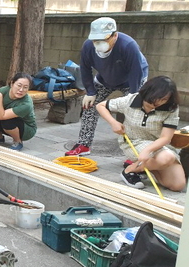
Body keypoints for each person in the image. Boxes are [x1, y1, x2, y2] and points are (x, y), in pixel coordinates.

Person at [65, 17, 149, 156]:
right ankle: (84, 144)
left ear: (114, 36)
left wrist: (134, 96)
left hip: (132, 80)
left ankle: (136, 152)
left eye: (103, 40)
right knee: (89, 105)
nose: (98, 44)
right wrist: (90, 92)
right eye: (95, 41)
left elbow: (136, 72)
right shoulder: (88, 46)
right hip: (105, 78)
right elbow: (85, 69)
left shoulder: (128, 45)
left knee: (135, 112)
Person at [96, 76, 186, 191]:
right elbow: (100, 106)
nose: (158, 103)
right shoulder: (130, 100)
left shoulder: (171, 108)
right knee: (166, 158)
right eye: (154, 99)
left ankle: (142, 168)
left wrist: (147, 150)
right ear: (147, 93)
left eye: (164, 99)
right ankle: (130, 170)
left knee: (177, 185)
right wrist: (113, 122)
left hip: (159, 145)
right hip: (134, 141)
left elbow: (166, 138)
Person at [0, 72, 37, 151]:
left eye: (25, 87)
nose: (21, 90)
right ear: (12, 83)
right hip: (6, 121)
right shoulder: (3, 90)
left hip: (26, 130)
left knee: (6, 120)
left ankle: (18, 141)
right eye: (19, 85)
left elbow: (0, 116)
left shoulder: (26, 104)